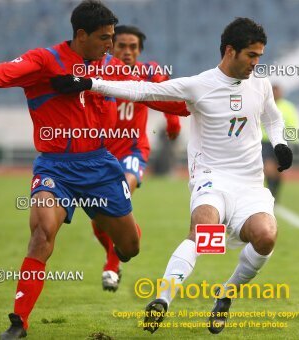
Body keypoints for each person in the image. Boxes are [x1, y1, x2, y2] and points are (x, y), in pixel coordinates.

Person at [52, 17, 293, 335]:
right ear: (230, 51)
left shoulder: (260, 86)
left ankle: (226, 295)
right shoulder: (199, 85)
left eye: (260, 56)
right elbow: (144, 91)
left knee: (266, 236)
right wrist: (90, 84)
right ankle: (163, 300)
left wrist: (280, 144)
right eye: (251, 55)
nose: (256, 63)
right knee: (205, 233)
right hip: (212, 180)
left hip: (250, 185)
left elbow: (273, 119)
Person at [0, 1, 148, 338]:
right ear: (81, 34)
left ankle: (117, 244)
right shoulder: (44, 61)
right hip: (55, 168)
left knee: (130, 247)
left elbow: (152, 91)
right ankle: (19, 321)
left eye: (113, 38)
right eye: (105, 38)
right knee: (42, 235)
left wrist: (194, 105)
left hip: (100, 168)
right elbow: (3, 72)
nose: (111, 45)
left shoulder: (111, 67)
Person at [93, 25, 187, 292]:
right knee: (98, 219)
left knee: (118, 195)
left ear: (140, 51)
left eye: (133, 47)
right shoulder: (98, 71)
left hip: (133, 152)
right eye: (121, 46)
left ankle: (111, 267)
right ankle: (120, 249)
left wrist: (173, 123)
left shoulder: (149, 71)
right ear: (111, 47)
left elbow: (167, 93)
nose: (127, 52)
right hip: (100, 154)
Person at [261, 84, 299, 201]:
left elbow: (293, 123)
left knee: (278, 169)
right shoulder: (263, 105)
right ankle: (271, 190)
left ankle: (275, 191)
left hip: (281, 141)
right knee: (268, 167)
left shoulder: (288, 107)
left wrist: (296, 141)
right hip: (265, 141)